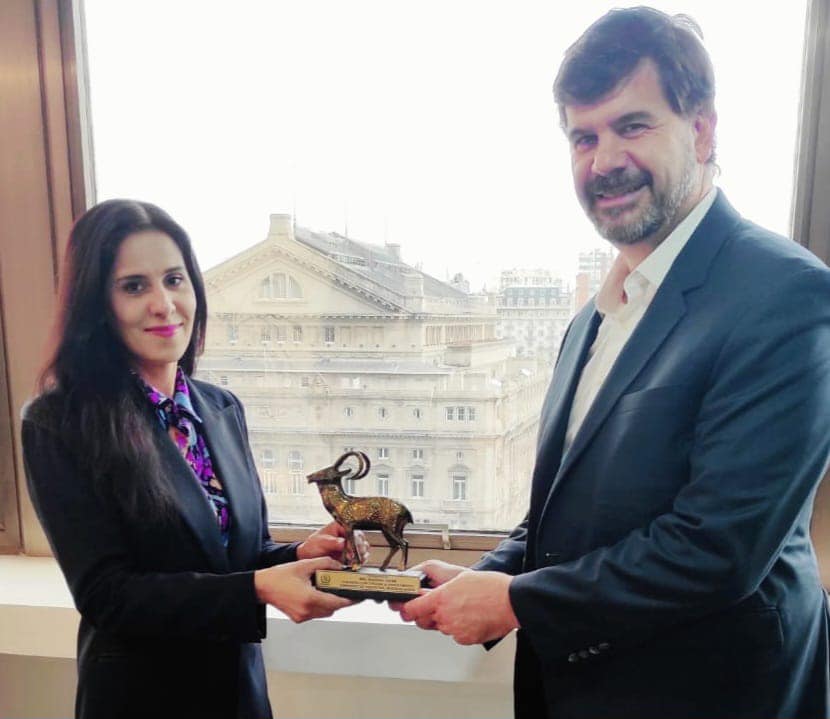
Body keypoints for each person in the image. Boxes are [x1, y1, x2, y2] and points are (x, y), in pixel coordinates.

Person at [395, 7, 830, 719]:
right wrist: (487, 575)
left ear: (702, 130)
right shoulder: (590, 319)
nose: (603, 161)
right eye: (584, 137)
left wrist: (515, 600)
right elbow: (567, 514)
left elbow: (717, 548)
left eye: (632, 126)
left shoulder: (787, 294)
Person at [22, 199, 366, 719]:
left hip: (239, 694)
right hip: (140, 700)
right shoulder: (59, 422)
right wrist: (257, 587)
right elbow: (106, 594)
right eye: (133, 286)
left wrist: (296, 555)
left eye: (174, 280)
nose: (163, 304)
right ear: (97, 304)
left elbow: (232, 556)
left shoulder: (220, 408)